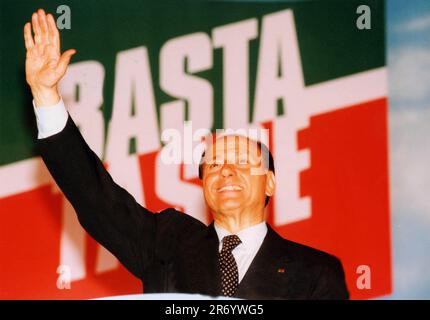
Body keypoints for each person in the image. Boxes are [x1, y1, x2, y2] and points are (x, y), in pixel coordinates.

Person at [24, 9, 349, 299]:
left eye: (243, 161)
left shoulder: (315, 271)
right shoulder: (167, 244)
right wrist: (46, 95)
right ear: (204, 184)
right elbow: (94, 196)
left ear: (270, 183)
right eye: (215, 164)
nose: (226, 170)